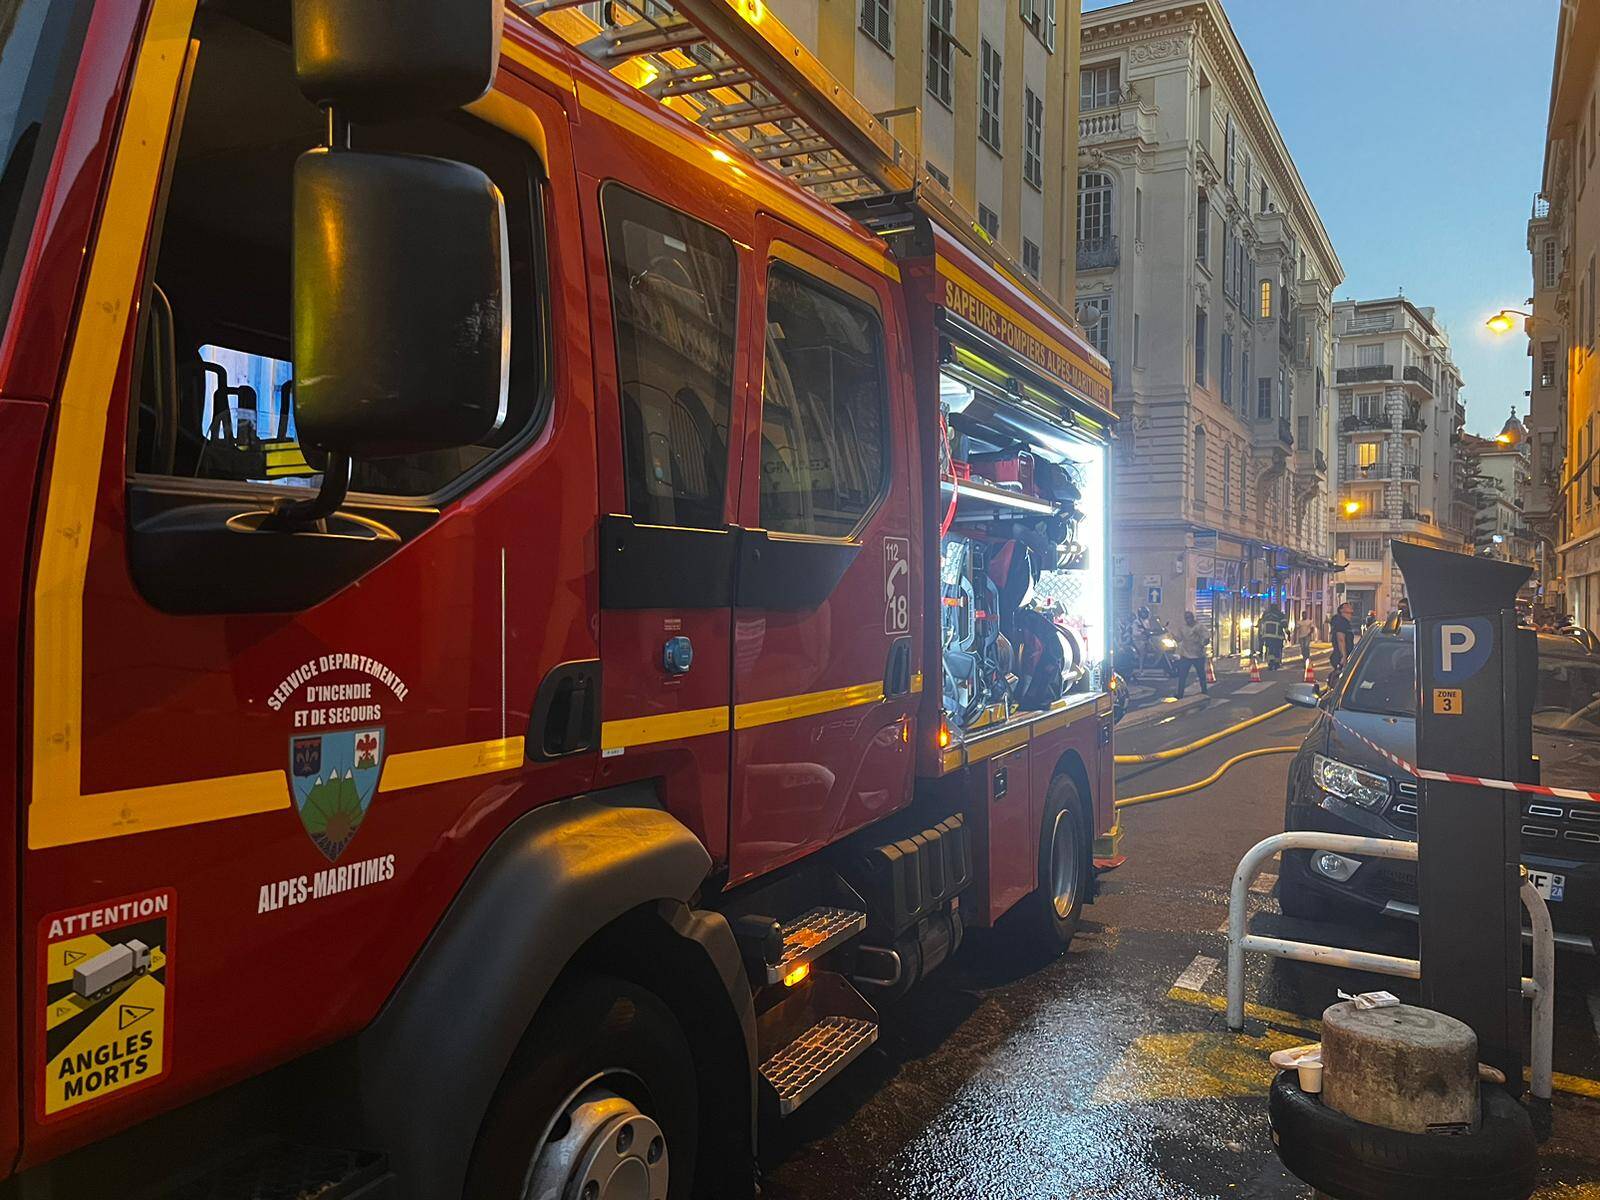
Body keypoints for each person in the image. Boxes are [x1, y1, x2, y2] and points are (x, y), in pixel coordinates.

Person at [1173, 611, 1210, 698]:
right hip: (1186, 655)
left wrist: (1204, 643)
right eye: (1186, 618)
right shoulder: (1183, 628)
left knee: (1201, 675)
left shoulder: (1200, 627)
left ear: (1193, 618)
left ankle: (1204, 691)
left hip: (1198, 655)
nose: (1188, 620)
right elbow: (1179, 639)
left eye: (1189, 618)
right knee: (1182, 676)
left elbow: (1206, 638)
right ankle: (1180, 694)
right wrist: (1172, 636)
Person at [1330, 601, 1356, 674]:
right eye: (1347, 605)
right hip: (1340, 657)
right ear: (1341, 610)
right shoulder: (1341, 622)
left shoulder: (1346, 622)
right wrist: (1343, 657)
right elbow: (1341, 639)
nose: (1349, 606)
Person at [1260, 602, 1287, 670]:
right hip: (1277, 636)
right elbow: (1284, 625)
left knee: (1270, 649)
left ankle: (1270, 662)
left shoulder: (1265, 614)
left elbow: (1261, 623)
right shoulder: (1280, 614)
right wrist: (1288, 633)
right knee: (1277, 649)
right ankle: (1277, 663)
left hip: (1267, 636)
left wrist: (1261, 635)